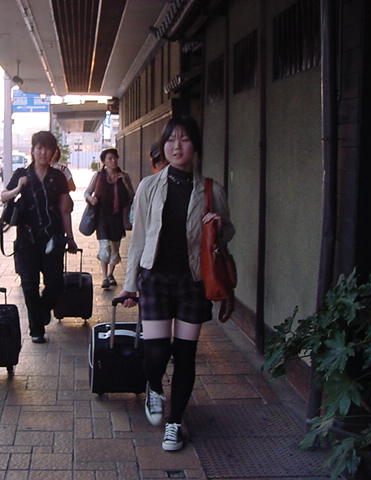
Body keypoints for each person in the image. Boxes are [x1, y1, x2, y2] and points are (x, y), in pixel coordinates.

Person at [117, 116, 234, 451]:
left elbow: (227, 233)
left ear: (195, 146)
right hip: (155, 278)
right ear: (163, 146)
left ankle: (175, 422)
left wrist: (218, 225)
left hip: (192, 281)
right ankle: (154, 387)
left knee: (185, 354)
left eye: (184, 140)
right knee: (155, 351)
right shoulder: (148, 186)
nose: (176, 146)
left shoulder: (210, 190)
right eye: (170, 140)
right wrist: (130, 284)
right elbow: (138, 238)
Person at [1, 131, 78, 343]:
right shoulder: (22, 173)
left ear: (53, 152)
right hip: (27, 240)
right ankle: (36, 329)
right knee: (29, 284)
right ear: (33, 150)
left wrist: (70, 238)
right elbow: (4, 196)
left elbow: (64, 210)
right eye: (39, 148)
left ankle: (42, 309)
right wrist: (18, 187)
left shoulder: (58, 177)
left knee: (56, 283)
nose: (43, 152)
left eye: (48, 148)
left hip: (53, 238)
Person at [85, 148, 134, 289]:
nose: (113, 161)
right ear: (104, 162)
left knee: (115, 249)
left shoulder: (124, 176)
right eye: (110, 158)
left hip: (118, 218)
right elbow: (87, 192)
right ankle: (104, 277)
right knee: (105, 247)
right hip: (102, 218)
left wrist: (125, 183)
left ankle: (111, 274)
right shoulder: (98, 176)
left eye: (115, 158)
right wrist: (90, 198)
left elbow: (132, 195)